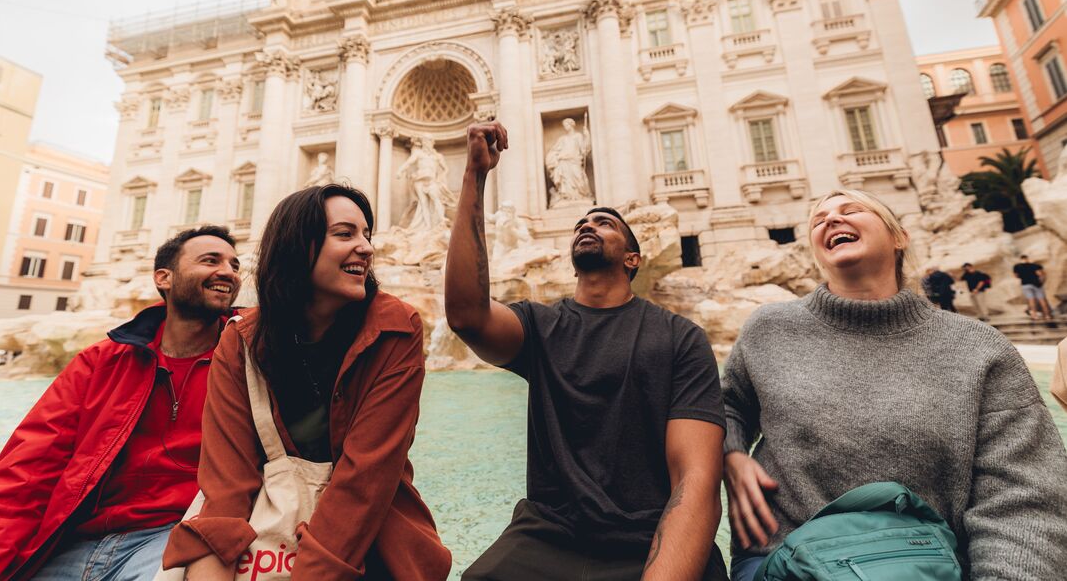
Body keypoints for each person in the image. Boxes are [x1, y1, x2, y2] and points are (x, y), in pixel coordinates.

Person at [722, 189, 1067, 581]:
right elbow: (723, 406)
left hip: (926, 567)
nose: (832, 219)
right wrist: (732, 453)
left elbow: (1024, 496)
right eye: (819, 220)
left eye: (851, 209)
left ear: (899, 236)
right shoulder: (769, 329)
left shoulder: (980, 350)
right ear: (817, 253)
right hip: (781, 559)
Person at [446, 121, 728, 581]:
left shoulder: (681, 338)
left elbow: (695, 479)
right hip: (546, 534)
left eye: (604, 222)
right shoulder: (539, 326)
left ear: (633, 259)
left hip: (650, 536)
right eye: (582, 223)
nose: (587, 225)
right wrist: (474, 177)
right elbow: (466, 315)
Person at [162, 184, 450, 579]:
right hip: (265, 536)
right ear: (298, 246)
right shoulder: (241, 338)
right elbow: (227, 484)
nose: (366, 247)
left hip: (374, 542)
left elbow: (363, 482)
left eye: (367, 235)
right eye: (345, 234)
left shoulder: (395, 329)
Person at [0, 226, 241, 580]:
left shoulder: (247, 355)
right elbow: (24, 474)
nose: (229, 272)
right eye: (210, 260)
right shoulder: (100, 361)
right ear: (164, 277)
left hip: (174, 539)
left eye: (234, 265)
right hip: (77, 540)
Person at [1013, 254, 1053, 320]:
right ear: (1027, 258)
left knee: (1031, 300)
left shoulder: (1017, 266)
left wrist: (1023, 276)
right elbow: (1040, 274)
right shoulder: (1035, 266)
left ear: (1021, 259)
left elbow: (1016, 276)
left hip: (1025, 284)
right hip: (1036, 284)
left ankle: (1034, 315)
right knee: (1042, 300)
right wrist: (1041, 282)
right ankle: (1047, 315)